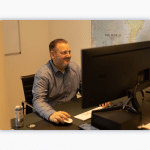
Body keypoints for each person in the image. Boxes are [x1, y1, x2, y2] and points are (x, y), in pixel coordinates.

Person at [32, 39, 82, 124]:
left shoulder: (75, 68)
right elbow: (38, 100)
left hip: (73, 112)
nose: (68, 55)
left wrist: (97, 99)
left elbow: (85, 89)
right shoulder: (43, 74)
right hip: (53, 115)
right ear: (52, 54)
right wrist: (51, 114)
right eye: (64, 53)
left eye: (69, 52)